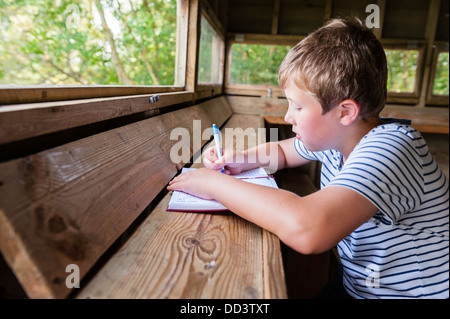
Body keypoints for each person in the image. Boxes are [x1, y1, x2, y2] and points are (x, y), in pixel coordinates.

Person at [167, 18, 449, 299]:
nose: (288, 116)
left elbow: (308, 229)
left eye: (298, 106)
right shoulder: (338, 137)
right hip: (358, 284)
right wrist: (239, 158)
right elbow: (281, 153)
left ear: (345, 112)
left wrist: (214, 184)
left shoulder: (392, 147)